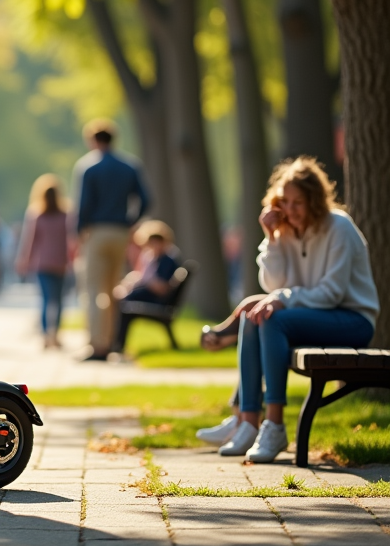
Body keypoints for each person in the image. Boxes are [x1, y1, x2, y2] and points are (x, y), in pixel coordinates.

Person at [198, 157, 378, 463]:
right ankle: (248, 422)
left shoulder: (339, 228)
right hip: (314, 317)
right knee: (256, 316)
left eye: (299, 203)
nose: (291, 210)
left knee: (273, 318)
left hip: (352, 319)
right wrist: (272, 239)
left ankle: (275, 424)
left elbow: (332, 292)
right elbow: (272, 283)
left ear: (315, 200)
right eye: (286, 202)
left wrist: (282, 298)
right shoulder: (286, 230)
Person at [71, 119, 149, 360]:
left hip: (96, 232)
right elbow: (145, 199)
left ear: (93, 140)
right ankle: (115, 341)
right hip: (120, 232)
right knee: (114, 288)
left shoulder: (88, 167)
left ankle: (97, 345)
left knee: (93, 290)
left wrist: (79, 233)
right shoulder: (130, 166)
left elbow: (82, 205)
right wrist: (130, 222)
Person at [15, 174, 70, 349]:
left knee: (46, 300)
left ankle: (46, 335)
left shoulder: (36, 214)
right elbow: (71, 240)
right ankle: (56, 334)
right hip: (61, 262)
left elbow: (30, 241)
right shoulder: (66, 215)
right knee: (59, 300)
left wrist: (24, 260)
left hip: (43, 264)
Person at [110, 220, 181, 354]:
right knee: (120, 299)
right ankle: (113, 343)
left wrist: (146, 281)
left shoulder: (167, 261)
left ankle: (117, 346)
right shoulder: (154, 259)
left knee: (123, 305)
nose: (154, 246)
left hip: (158, 301)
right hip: (148, 296)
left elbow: (162, 288)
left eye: (157, 241)